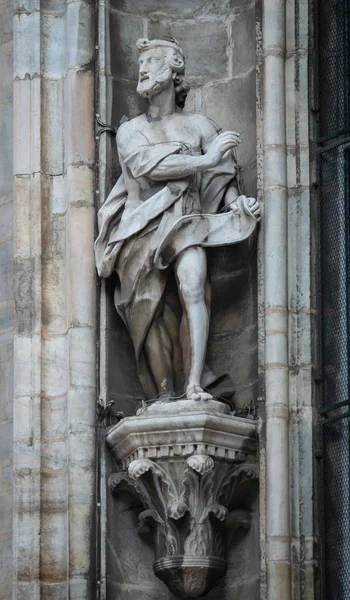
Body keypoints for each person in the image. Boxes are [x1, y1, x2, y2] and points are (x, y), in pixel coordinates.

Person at [95, 37, 260, 403]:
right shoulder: (130, 130)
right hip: (141, 232)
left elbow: (221, 178)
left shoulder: (200, 126)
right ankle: (164, 393)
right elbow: (147, 167)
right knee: (151, 312)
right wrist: (205, 159)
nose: (143, 69)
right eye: (141, 63)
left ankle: (194, 383)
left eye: (152, 61)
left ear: (174, 68)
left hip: (188, 222)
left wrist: (237, 205)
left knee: (193, 284)